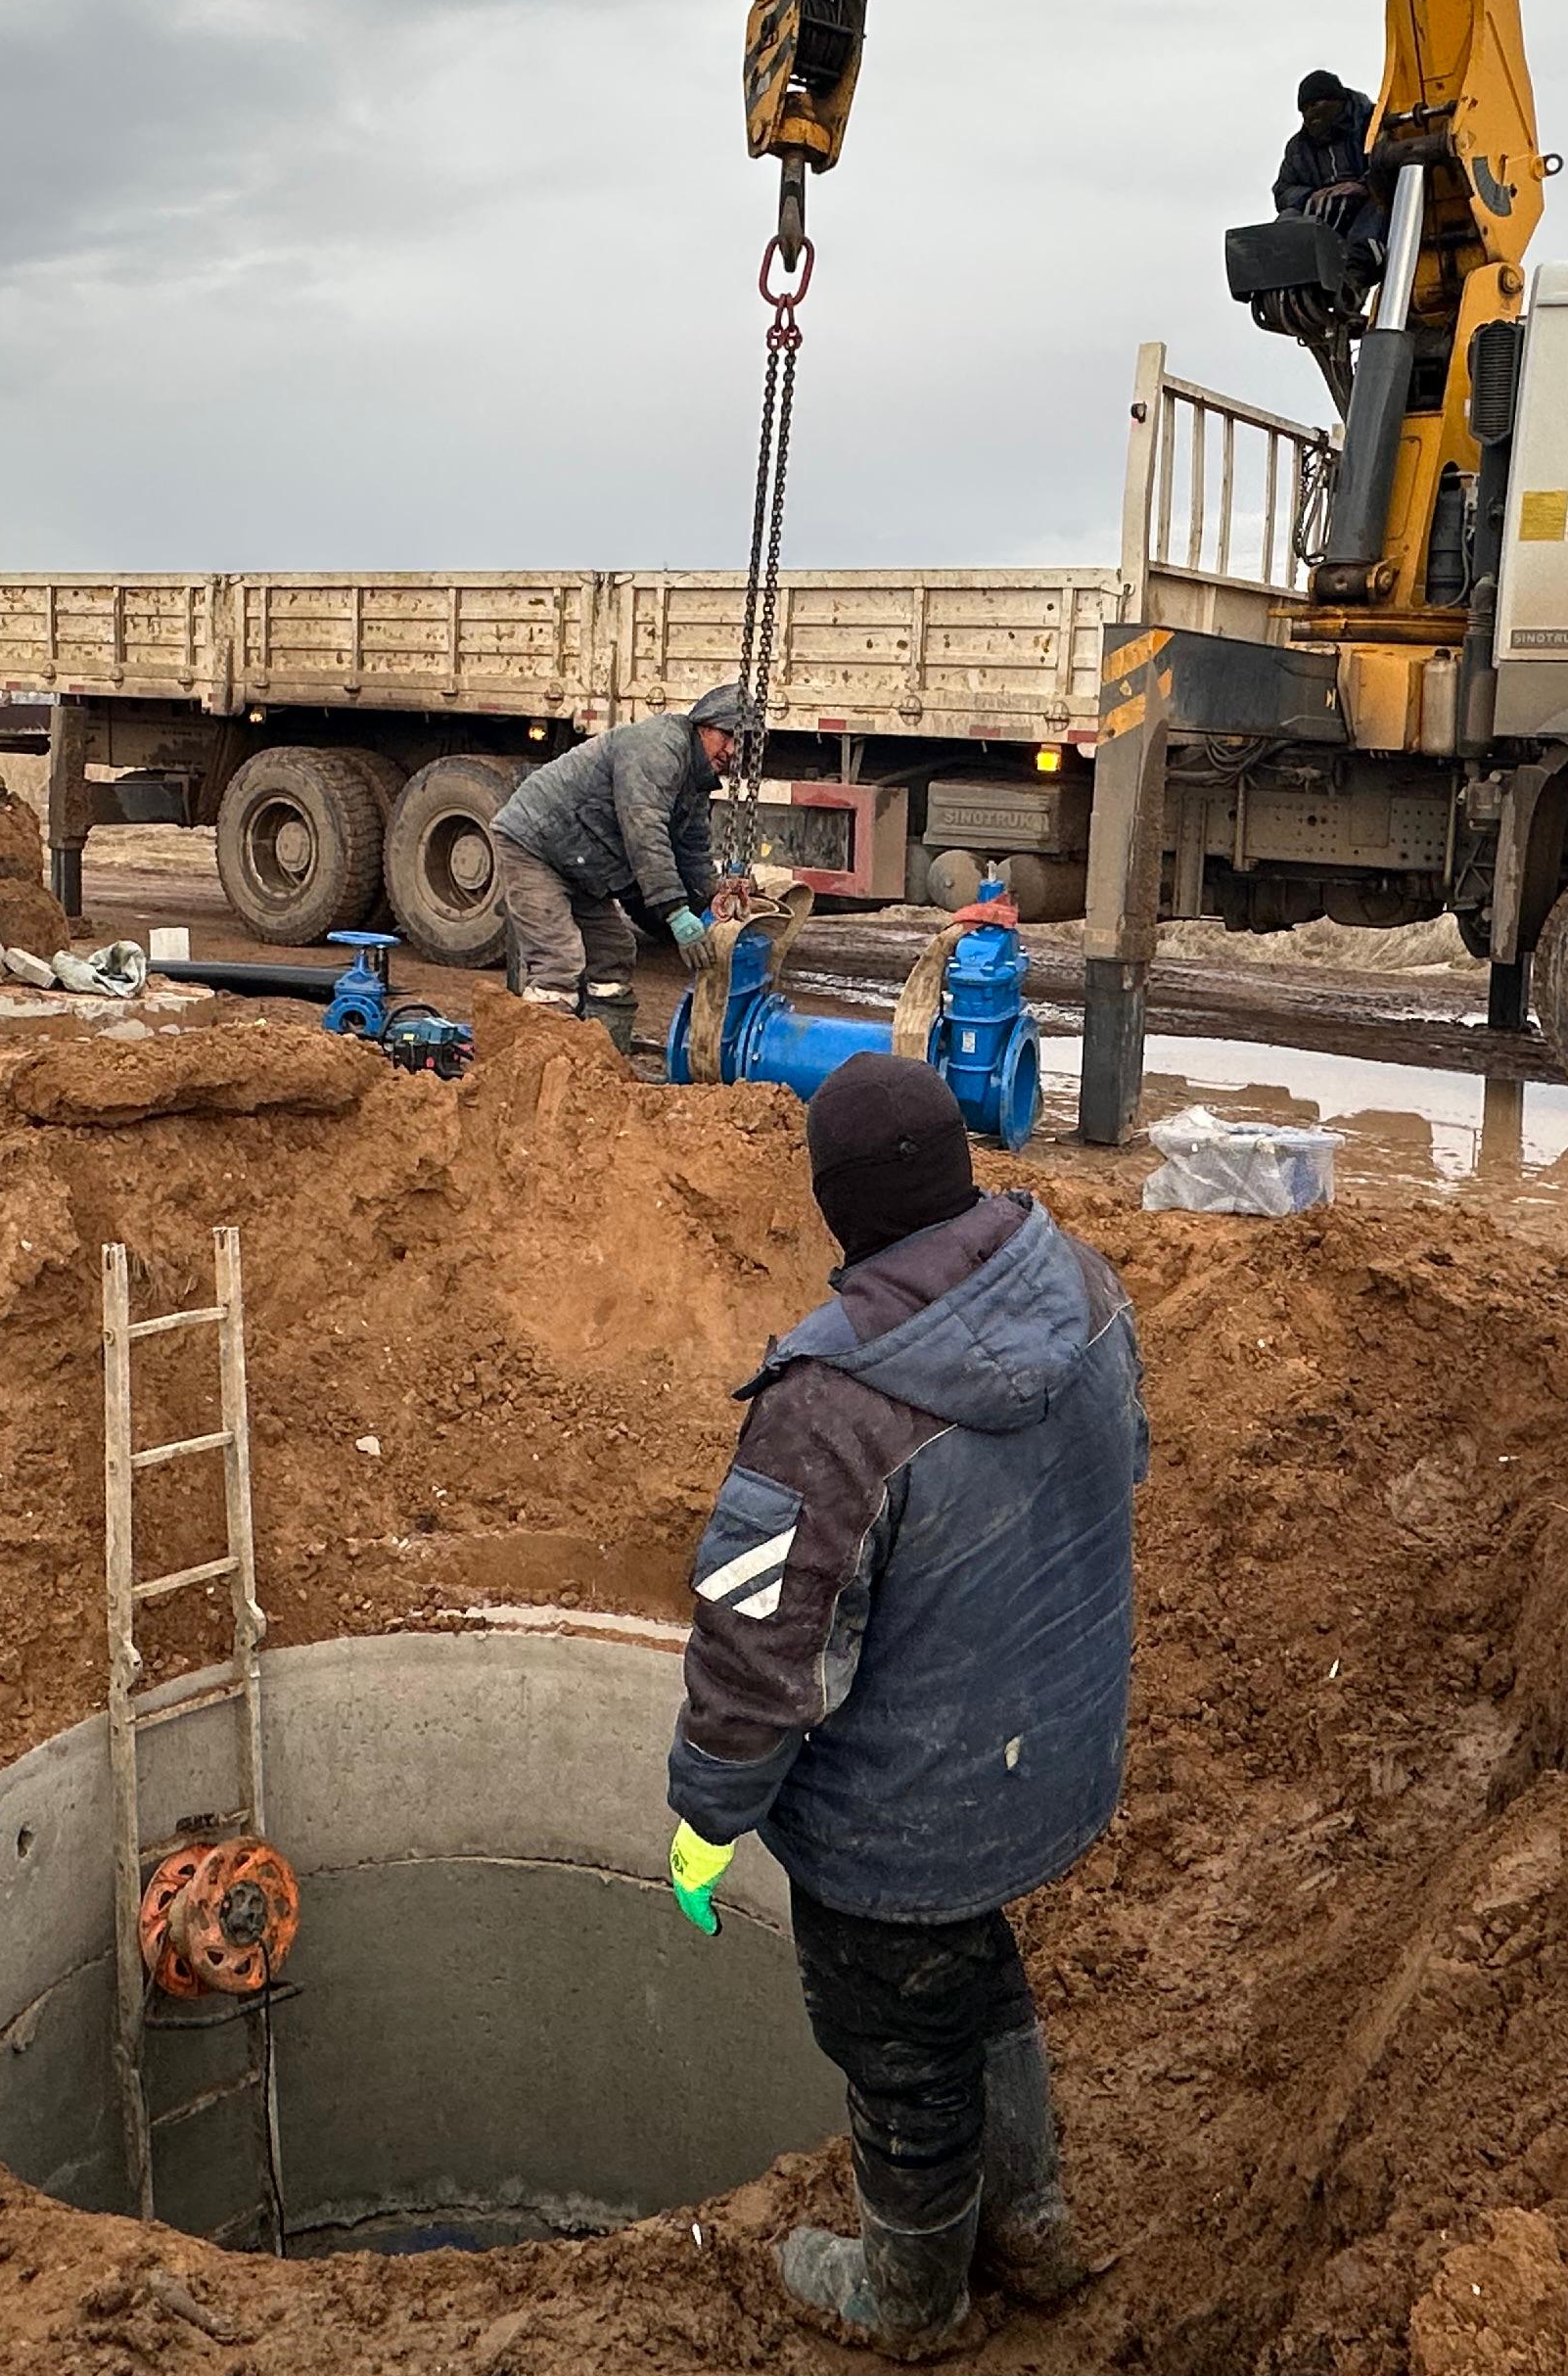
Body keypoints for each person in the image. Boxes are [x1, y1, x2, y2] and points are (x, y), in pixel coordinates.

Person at [661, 1053, 1148, 2358]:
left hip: (903, 1818)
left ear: (837, 1213)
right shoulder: (1083, 1287)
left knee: (895, 2041)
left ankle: (913, 2296)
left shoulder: (828, 1407)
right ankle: (1031, 2222)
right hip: (1047, 1753)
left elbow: (759, 1654)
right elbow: (1115, 1482)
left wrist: (707, 1819)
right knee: (968, 1972)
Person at [487, 679, 755, 1029]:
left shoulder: (693, 779)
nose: (733, 750)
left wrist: (711, 894)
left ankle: (601, 1067)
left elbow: (691, 850)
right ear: (704, 725)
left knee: (613, 955)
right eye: (727, 736)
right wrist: (675, 912)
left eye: (741, 742)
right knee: (559, 962)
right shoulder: (660, 747)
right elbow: (644, 831)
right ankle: (537, 1070)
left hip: (582, 862)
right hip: (537, 845)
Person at [1272, 68, 1381, 254]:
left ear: (1337, 101)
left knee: (1376, 206)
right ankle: (1283, 269)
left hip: (1369, 206)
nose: (1310, 113)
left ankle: (1361, 260)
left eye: (1316, 104)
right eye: (1304, 109)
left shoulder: (1373, 123)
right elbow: (1282, 190)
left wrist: (1363, 186)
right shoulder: (1298, 148)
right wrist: (1311, 196)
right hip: (1324, 215)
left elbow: (1389, 162)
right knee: (1288, 217)